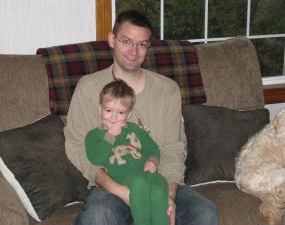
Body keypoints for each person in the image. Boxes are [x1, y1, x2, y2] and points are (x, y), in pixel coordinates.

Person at [64, 9, 218, 225]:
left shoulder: (168, 89)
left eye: (142, 44)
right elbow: (77, 147)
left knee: (204, 213)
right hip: (112, 185)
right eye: (126, 41)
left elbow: (173, 149)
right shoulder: (89, 87)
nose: (134, 51)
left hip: (157, 183)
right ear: (112, 40)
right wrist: (115, 188)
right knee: (98, 217)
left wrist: (169, 196)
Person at [85, 79, 169, 225]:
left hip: (146, 173)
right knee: (139, 183)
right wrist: (110, 135)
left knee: (160, 186)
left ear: (129, 114)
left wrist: (153, 160)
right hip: (122, 177)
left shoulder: (135, 129)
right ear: (100, 109)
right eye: (108, 110)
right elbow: (96, 159)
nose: (114, 116)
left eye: (121, 112)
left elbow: (152, 148)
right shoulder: (94, 135)